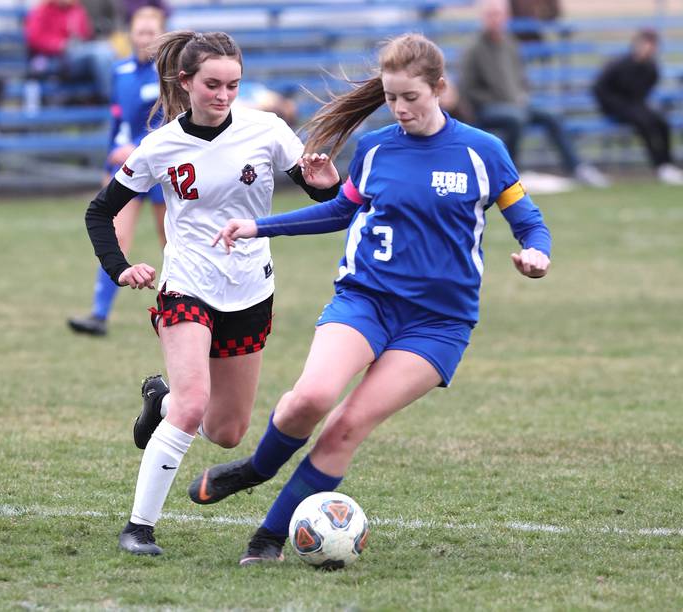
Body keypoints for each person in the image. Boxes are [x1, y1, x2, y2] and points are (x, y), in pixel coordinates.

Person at [187, 32, 552, 566]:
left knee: (345, 427)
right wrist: (258, 226)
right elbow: (340, 211)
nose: (400, 109)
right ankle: (255, 470)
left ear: (439, 89)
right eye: (390, 97)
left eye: (411, 97)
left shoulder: (484, 152)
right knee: (310, 399)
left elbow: (529, 222)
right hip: (366, 301)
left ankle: (267, 538)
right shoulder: (377, 148)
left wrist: (536, 254)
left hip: (439, 324)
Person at [83, 29, 341, 556]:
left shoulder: (266, 130)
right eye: (213, 84)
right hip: (187, 283)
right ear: (187, 82)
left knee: (226, 430)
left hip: (249, 287)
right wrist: (120, 267)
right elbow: (99, 211)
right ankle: (139, 528)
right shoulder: (160, 145)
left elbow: (324, 199)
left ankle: (163, 400)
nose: (223, 95)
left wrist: (327, 182)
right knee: (195, 402)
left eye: (233, 85)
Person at [68, 7, 167, 337]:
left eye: (152, 31)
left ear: (163, 34)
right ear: (131, 34)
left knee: (172, 241)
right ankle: (98, 315)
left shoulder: (169, 74)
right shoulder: (121, 70)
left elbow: (170, 122)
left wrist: (138, 145)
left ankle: (182, 310)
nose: (145, 38)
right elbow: (117, 120)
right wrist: (109, 165)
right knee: (117, 236)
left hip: (163, 167)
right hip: (130, 167)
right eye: (140, 31)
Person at [459, 0, 608, 187]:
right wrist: (499, 101)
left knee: (551, 116)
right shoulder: (473, 49)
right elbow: (468, 89)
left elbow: (521, 78)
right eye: (491, 14)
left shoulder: (510, 43)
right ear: (483, 18)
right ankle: (508, 172)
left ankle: (576, 167)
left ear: (506, 17)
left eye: (499, 14)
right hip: (488, 109)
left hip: (517, 104)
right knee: (516, 118)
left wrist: (521, 95)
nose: (495, 19)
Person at [593, 28, 683, 186]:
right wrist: (615, 105)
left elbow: (643, 92)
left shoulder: (651, 68)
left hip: (636, 105)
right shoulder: (619, 64)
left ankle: (667, 164)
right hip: (616, 107)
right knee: (645, 124)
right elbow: (599, 88)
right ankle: (659, 165)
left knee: (662, 123)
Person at [24, 0, 115, 103]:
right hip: (56, 60)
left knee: (105, 50)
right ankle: (111, 101)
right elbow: (34, 38)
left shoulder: (77, 10)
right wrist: (60, 44)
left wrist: (77, 38)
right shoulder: (43, 10)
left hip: (78, 57)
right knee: (102, 52)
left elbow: (86, 34)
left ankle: (109, 100)